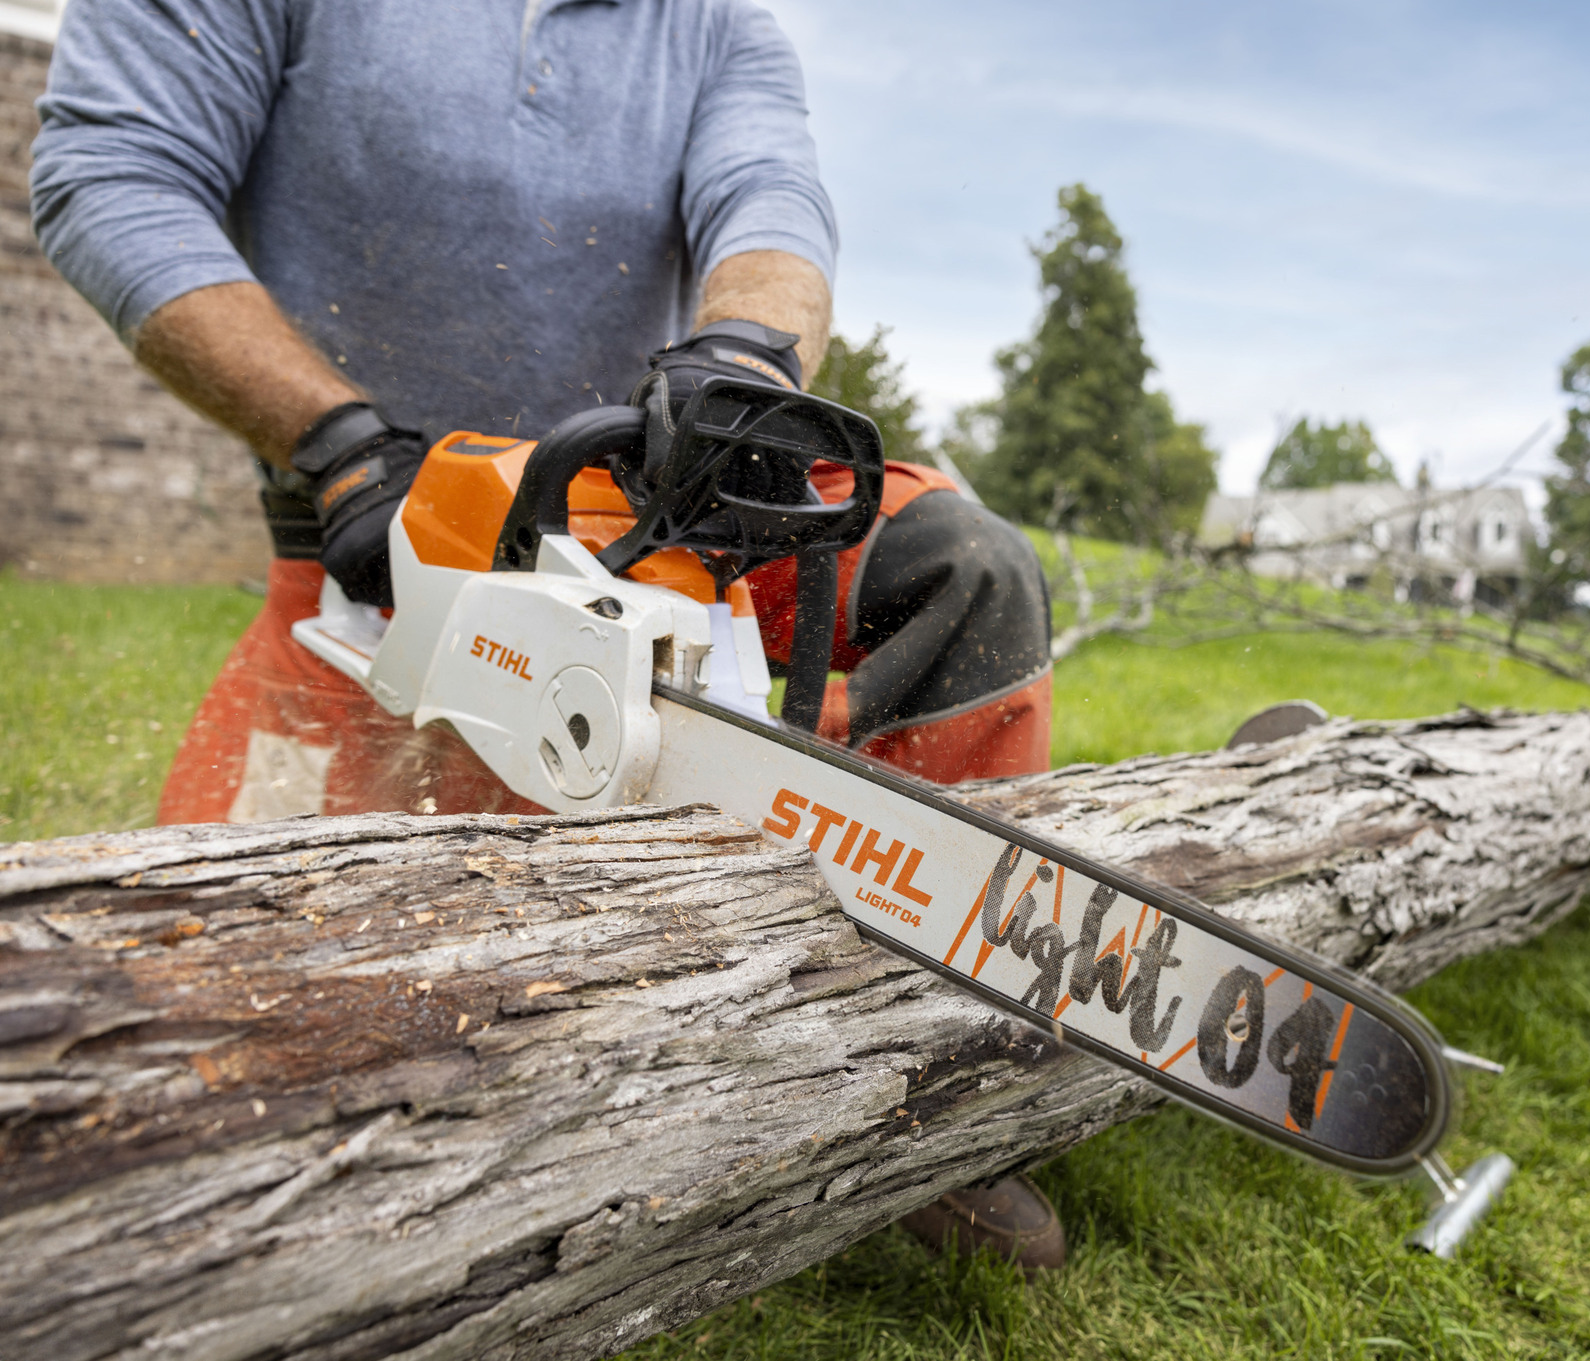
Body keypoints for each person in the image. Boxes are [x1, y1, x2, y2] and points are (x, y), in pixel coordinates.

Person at [33, 0, 1063, 1272]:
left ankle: (941, 1070)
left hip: (649, 508)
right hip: (375, 537)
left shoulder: (713, 26)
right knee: (233, 1009)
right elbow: (109, 172)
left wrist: (737, 358)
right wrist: (340, 446)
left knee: (960, 565)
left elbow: (773, 203)